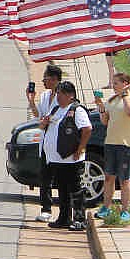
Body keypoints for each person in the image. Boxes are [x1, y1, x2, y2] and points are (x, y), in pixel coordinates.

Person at [39, 81, 92, 231]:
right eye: (57, 94)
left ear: (70, 95)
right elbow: (43, 126)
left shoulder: (77, 110)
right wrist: (44, 123)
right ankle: (64, 218)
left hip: (71, 159)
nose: (58, 97)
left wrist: (79, 149)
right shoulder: (56, 109)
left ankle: (79, 219)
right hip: (57, 159)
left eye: (61, 94)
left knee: (75, 188)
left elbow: (87, 130)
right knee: (62, 189)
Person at [94, 72, 130, 221]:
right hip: (111, 143)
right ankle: (106, 207)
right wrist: (101, 106)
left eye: (116, 83)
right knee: (109, 177)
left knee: (124, 179)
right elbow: (105, 121)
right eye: (113, 83)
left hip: (126, 144)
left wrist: (125, 95)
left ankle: (125, 210)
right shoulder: (112, 100)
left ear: (125, 83)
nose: (113, 86)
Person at [26, 64, 62, 223]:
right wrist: (31, 101)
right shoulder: (46, 96)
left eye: (45, 79)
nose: (43, 82)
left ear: (54, 79)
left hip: (59, 144)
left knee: (61, 179)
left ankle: (65, 210)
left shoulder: (64, 96)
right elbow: (38, 115)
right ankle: (46, 209)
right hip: (45, 143)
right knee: (45, 178)